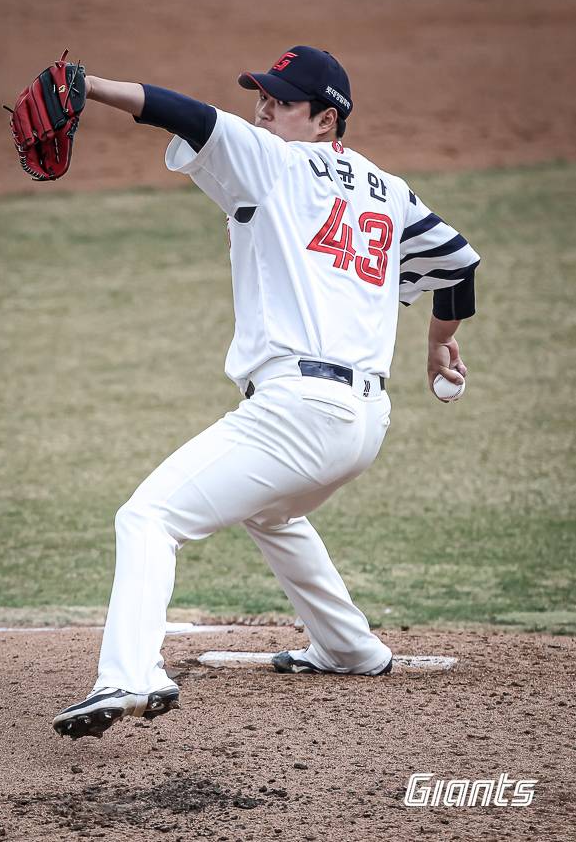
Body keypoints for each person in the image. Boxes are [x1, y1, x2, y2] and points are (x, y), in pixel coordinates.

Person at [53, 46, 480, 740]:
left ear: (325, 119)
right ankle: (348, 648)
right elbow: (457, 266)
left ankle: (130, 676)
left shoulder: (273, 160)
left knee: (148, 518)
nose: (263, 108)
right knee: (271, 512)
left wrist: (91, 87)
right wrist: (438, 343)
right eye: (262, 96)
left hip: (296, 413)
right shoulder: (388, 188)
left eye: (281, 101)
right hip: (364, 424)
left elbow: (184, 113)